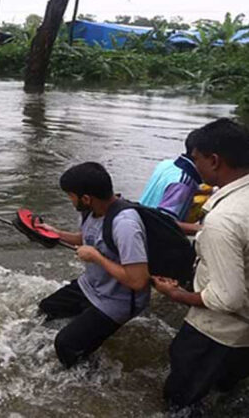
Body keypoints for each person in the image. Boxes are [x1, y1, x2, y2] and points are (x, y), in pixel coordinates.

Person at [152, 118, 249, 411]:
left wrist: (176, 294)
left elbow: (228, 297)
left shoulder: (224, 219)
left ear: (215, 160)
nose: (196, 167)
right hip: (242, 339)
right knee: (224, 393)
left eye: (197, 160)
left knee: (180, 399)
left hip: (216, 333)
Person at [36, 162, 150, 368]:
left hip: (119, 300)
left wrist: (97, 258)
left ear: (86, 198)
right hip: (91, 285)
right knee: (46, 310)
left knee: (65, 344)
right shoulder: (92, 211)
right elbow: (87, 237)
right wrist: (55, 233)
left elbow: (139, 281)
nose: (69, 200)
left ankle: (88, 376)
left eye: (70, 195)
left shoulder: (125, 225)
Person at [139, 129, 205, 234]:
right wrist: (205, 229)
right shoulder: (183, 184)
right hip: (152, 236)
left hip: (139, 223)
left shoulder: (167, 164)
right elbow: (164, 223)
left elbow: (169, 189)